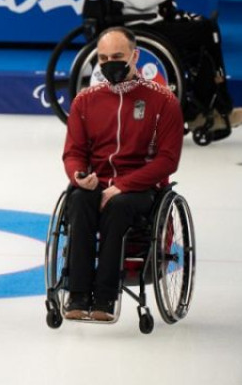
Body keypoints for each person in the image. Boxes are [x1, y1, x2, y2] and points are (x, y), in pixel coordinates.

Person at [62, 27, 183, 321]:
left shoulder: (163, 101)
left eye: (117, 56)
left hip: (141, 188)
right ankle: (77, 294)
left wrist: (124, 185)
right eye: (103, 58)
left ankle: (105, 298)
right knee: (78, 201)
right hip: (97, 181)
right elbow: (73, 152)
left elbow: (168, 160)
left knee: (118, 206)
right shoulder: (85, 101)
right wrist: (78, 175)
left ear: (135, 56)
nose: (109, 63)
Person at [68, 0, 242, 133]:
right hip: (137, 23)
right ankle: (212, 109)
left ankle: (208, 105)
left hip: (109, 14)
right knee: (206, 31)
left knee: (198, 28)